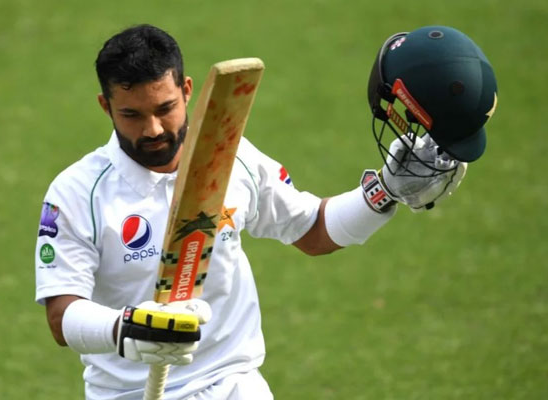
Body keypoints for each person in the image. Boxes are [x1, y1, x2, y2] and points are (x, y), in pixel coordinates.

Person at [35, 24, 497, 399]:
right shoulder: (77, 194)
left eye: (166, 108)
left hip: (234, 385)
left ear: (188, 90)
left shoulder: (230, 157)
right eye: (132, 115)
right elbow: (62, 316)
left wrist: (386, 192)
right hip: (131, 395)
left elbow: (312, 230)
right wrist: (128, 327)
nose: (153, 128)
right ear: (106, 106)